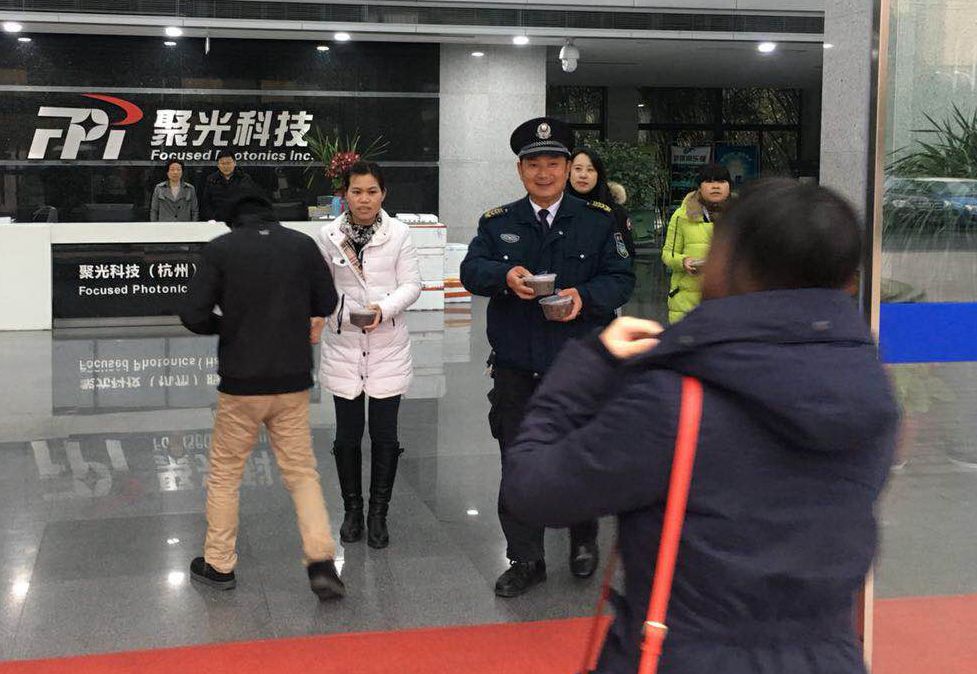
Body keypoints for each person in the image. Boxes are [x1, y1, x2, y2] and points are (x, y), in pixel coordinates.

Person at [502, 180, 900, 673]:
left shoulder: (675, 401)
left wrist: (588, 366)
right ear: (848, 280)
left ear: (732, 264)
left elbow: (533, 490)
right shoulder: (871, 393)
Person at [460, 117, 635, 598]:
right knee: (518, 459)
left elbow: (621, 279)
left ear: (567, 167)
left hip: (577, 363)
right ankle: (526, 558)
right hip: (516, 365)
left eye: (553, 163)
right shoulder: (498, 222)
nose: (544, 173)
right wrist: (503, 276)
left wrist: (583, 297)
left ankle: (583, 540)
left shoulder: (598, 219)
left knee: (578, 454)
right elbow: (471, 270)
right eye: (533, 164)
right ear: (520, 170)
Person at [180, 188, 346, 601]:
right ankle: (322, 562)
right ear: (270, 214)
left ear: (233, 219)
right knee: (302, 472)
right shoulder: (301, 245)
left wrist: (229, 327)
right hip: (292, 379)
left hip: (241, 383)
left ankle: (219, 564)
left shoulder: (222, 249)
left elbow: (193, 314)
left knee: (226, 473)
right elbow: (327, 299)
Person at [317, 161, 421, 550]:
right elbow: (321, 288)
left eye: (372, 192)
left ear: (383, 194)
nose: (364, 200)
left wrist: (384, 308)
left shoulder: (399, 233)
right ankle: (352, 510)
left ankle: (379, 513)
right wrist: (343, 312)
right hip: (344, 346)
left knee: (384, 435)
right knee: (347, 436)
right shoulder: (328, 235)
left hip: (387, 347)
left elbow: (412, 284)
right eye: (357, 192)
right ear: (345, 194)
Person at [662, 163, 732, 323]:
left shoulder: (741, 214)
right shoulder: (682, 215)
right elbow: (667, 254)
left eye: (721, 181)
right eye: (709, 181)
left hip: (729, 300)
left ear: (729, 186)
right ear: (699, 187)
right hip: (687, 303)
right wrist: (683, 261)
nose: (715, 186)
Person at [567, 148, 636, 258]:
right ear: (568, 172)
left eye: (590, 170)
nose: (583, 175)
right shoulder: (554, 207)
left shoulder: (615, 212)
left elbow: (626, 255)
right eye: (578, 169)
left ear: (599, 174)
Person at [201, 150, 255, 222]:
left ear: (234, 163)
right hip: (218, 222)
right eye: (223, 163)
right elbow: (206, 203)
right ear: (218, 165)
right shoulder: (211, 180)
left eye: (228, 163)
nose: (226, 166)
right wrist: (211, 219)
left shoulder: (244, 179)